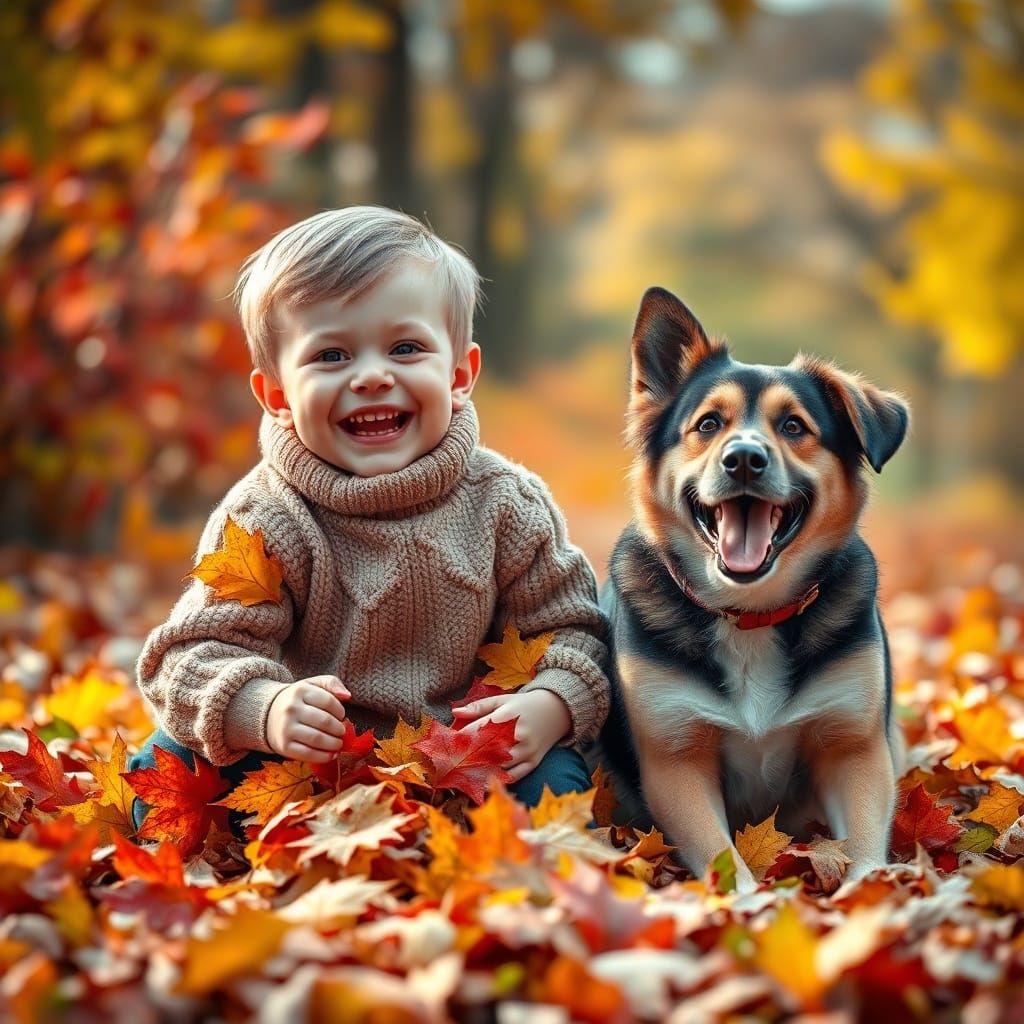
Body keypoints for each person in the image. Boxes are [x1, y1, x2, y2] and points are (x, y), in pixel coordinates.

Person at [129, 206, 609, 828]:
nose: (374, 376)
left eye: (406, 348)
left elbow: (574, 631)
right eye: (331, 356)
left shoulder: (506, 504)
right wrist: (266, 708)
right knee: (165, 768)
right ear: (277, 395)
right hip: (306, 763)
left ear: (460, 373)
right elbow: (189, 656)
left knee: (558, 793)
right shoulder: (265, 518)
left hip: (463, 759)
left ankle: (513, 884)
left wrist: (549, 705)